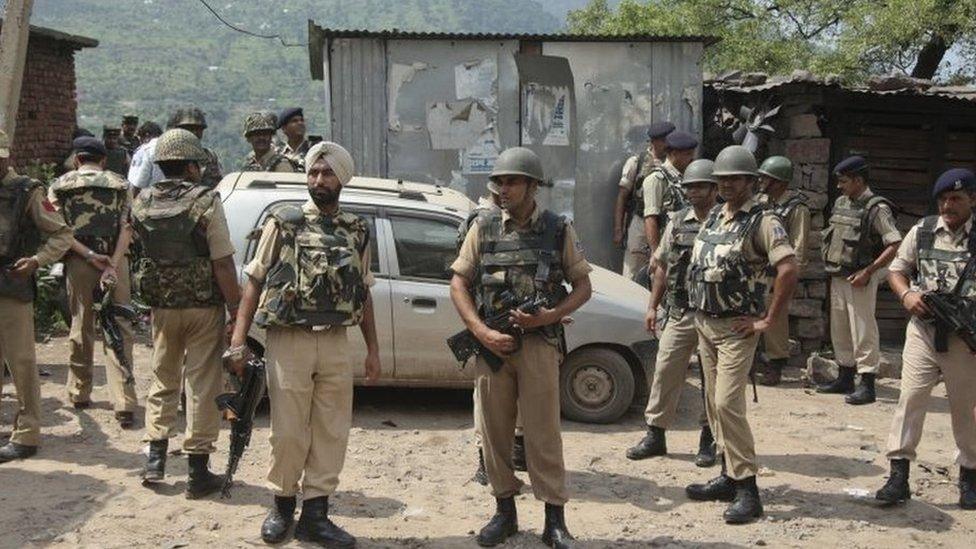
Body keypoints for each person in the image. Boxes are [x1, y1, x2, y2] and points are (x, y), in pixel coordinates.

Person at [229, 141, 381, 546]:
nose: (318, 180)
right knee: (288, 431)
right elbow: (255, 281)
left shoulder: (357, 230)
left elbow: (363, 294)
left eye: (327, 173)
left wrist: (374, 350)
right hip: (289, 340)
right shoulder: (284, 222)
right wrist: (238, 341)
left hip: (334, 341)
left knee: (332, 430)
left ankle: (316, 513)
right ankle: (281, 506)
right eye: (313, 173)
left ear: (341, 179)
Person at [450, 147, 592, 548]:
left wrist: (548, 317)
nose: (503, 188)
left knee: (544, 433)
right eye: (500, 181)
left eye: (512, 181)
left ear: (533, 185)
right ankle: (504, 512)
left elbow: (583, 286)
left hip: (539, 347)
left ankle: (554, 519)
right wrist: (481, 332)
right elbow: (458, 283)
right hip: (492, 348)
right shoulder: (483, 227)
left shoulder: (558, 229)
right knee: (493, 433)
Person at [684, 145, 798, 524]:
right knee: (714, 406)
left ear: (751, 181)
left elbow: (787, 268)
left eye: (735, 178)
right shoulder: (716, 215)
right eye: (722, 179)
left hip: (736, 327)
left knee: (728, 403)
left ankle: (748, 489)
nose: (727, 184)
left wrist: (766, 320)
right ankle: (727, 475)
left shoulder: (764, 221)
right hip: (705, 323)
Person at [131, 129, 241, 498]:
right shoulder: (206, 201)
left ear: (162, 166)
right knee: (200, 384)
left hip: (162, 306)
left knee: (163, 379)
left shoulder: (142, 201)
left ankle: (155, 460)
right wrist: (236, 307)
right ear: (193, 165)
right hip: (202, 306)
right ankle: (197, 470)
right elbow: (222, 262)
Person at [875, 168, 976, 509]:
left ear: (972, 200)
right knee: (911, 398)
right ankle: (899, 474)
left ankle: (969, 475)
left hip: (965, 337)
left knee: (966, 409)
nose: (949, 205)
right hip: (924, 330)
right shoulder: (923, 230)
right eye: (944, 199)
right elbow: (896, 271)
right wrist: (905, 296)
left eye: (957, 199)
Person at [626, 159, 719, 467]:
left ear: (714, 189)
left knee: (712, 379)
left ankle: (709, 437)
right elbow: (662, 267)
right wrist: (653, 306)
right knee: (665, 371)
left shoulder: (726, 221)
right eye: (689, 187)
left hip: (714, 314)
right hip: (680, 311)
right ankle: (655, 434)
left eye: (699, 187)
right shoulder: (678, 221)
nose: (693, 192)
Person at [48, 136, 138, 427]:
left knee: (81, 324)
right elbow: (128, 227)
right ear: (102, 160)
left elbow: (59, 230)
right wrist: (112, 261)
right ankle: (124, 400)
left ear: (77, 159)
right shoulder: (121, 185)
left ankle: (79, 391)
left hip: (80, 263)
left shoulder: (59, 186)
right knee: (119, 326)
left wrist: (88, 255)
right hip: (116, 263)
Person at [0, 129, 73, 463]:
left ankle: (27, 434)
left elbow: (61, 233)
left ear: (6, 156)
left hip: (12, 284)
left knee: (21, 362)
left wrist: (36, 261)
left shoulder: (27, 191)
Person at [817, 156, 902, 405]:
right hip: (839, 274)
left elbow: (895, 243)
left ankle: (867, 384)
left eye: (844, 181)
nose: (839, 186)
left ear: (858, 180)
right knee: (840, 328)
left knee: (863, 329)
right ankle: (845, 376)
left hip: (860, 278)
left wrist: (869, 271)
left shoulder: (876, 208)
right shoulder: (842, 202)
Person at [460, 183, 527, 485]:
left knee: (522, 395)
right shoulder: (482, 223)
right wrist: (480, 325)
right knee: (485, 400)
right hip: (488, 318)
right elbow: (465, 280)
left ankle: (516, 452)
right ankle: (485, 461)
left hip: (514, 317)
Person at [755, 155, 810, 385]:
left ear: (778, 182)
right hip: (757, 268)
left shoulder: (796, 209)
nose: (762, 181)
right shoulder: (761, 201)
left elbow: (799, 246)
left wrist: (789, 275)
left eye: (766, 178)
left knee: (775, 319)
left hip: (777, 271)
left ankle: (775, 363)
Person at [614, 121, 674, 280]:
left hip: (665, 222)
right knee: (632, 269)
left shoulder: (672, 163)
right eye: (664, 141)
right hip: (640, 221)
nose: (668, 145)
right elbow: (622, 196)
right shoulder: (637, 162)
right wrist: (618, 229)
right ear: (654, 141)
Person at [642, 131, 699, 257]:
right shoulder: (656, 179)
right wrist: (656, 253)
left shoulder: (685, 177)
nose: (692, 158)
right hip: (668, 249)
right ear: (673, 154)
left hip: (686, 246)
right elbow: (651, 218)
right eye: (688, 154)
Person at [168, 107, 223, 188]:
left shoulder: (209, 156)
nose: (195, 132)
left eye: (198, 129)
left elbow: (218, 183)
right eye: (189, 129)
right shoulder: (169, 155)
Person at [128, 122, 165, 191]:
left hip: (148, 195)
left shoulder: (145, 150)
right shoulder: (170, 147)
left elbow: (138, 182)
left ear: (146, 135)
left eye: (140, 139)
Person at [276, 107, 310, 171]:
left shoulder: (313, 149)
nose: (300, 123)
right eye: (294, 121)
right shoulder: (278, 153)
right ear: (284, 129)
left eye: (302, 120)